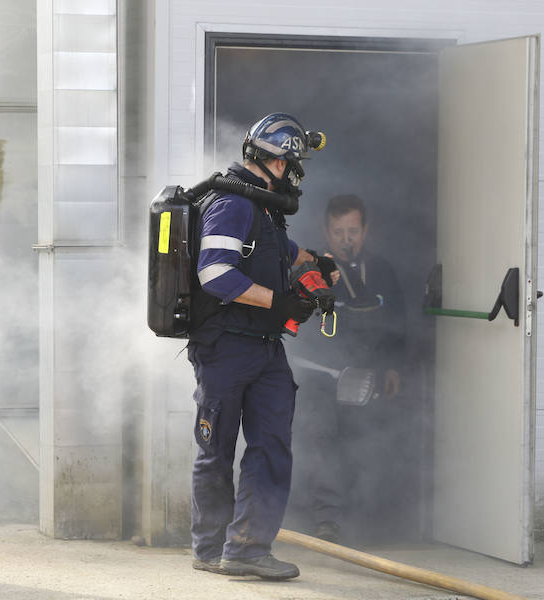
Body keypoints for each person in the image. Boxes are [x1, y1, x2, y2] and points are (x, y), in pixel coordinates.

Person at [186, 113, 336, 579]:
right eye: (294, 166)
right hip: (226, 347)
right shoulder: (233, 204)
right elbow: (214, 273)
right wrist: (279, 302)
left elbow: (281, 253)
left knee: (271, 445)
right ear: (275, 161)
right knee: (218, 450)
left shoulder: (265, 209)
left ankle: (248, 549)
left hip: (266, 348)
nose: (295, 176)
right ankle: (211, 549)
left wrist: (319, 264)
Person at [290, 193, 407, 544]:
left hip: (366, 376)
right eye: (339, 232)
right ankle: (327, 521)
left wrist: (392, 367)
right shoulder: (312, 272)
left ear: (365, 231)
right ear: (327, 232)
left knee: (365, 443)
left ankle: (363, 520)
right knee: (323, 442)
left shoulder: (382, 270)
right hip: (319, 376)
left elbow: (397, 322)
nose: (346, 239)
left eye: (353, 231)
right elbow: (294, 324)